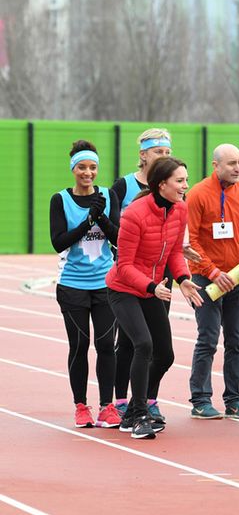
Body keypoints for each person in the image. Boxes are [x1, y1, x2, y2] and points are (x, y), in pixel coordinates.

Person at [105, 156, 203, 439]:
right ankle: (137, 415)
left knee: (165, 355)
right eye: (180, 181)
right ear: (162, 184)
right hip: (124, 289)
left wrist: (184, 279)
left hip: (153, 288)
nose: (186, 186)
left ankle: (140, 405)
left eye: (186, 179)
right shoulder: (134, 214)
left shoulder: (180, 210)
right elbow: (123, 267)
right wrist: (151, 287)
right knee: (143, 344)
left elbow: (173, 252)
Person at [187, 144, 239, 420]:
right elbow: (192, 240)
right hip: (205, 280)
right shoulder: (196, 194)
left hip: (236, 277)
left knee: (236, 340)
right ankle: (200, 399)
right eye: (232, 163)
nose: (238, 168)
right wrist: (212, 271)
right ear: (215, 165)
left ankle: (234, 399)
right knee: (207, 339)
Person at [49, 140, 122, 429]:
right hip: (72, 284)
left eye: (93, 167)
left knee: (106, 344)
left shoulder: (107, 196)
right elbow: (58, 242)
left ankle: (107, 406)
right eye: (82, 167)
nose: (88, 173)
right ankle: (81, 405)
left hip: (105, 283)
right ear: (73, 169)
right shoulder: (60, 200)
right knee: (80, 344)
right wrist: (87, 220)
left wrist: (101, 217)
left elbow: (118, 238)